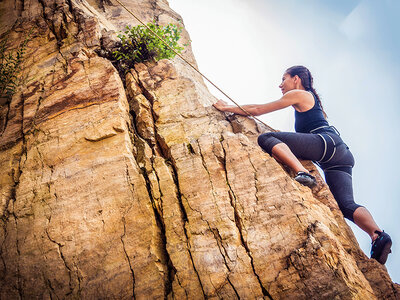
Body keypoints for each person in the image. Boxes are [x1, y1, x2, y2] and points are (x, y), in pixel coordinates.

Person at [213, 65, 392, 264]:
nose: (280, 84)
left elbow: (258, 110)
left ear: (296, 79)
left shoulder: (300, 94)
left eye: (284, 79)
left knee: (267, 138)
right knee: (346, 205)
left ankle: (303, 173)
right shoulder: (309, 100)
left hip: (326, 144)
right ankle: (378, 235)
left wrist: (226, 107)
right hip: (339, 154)